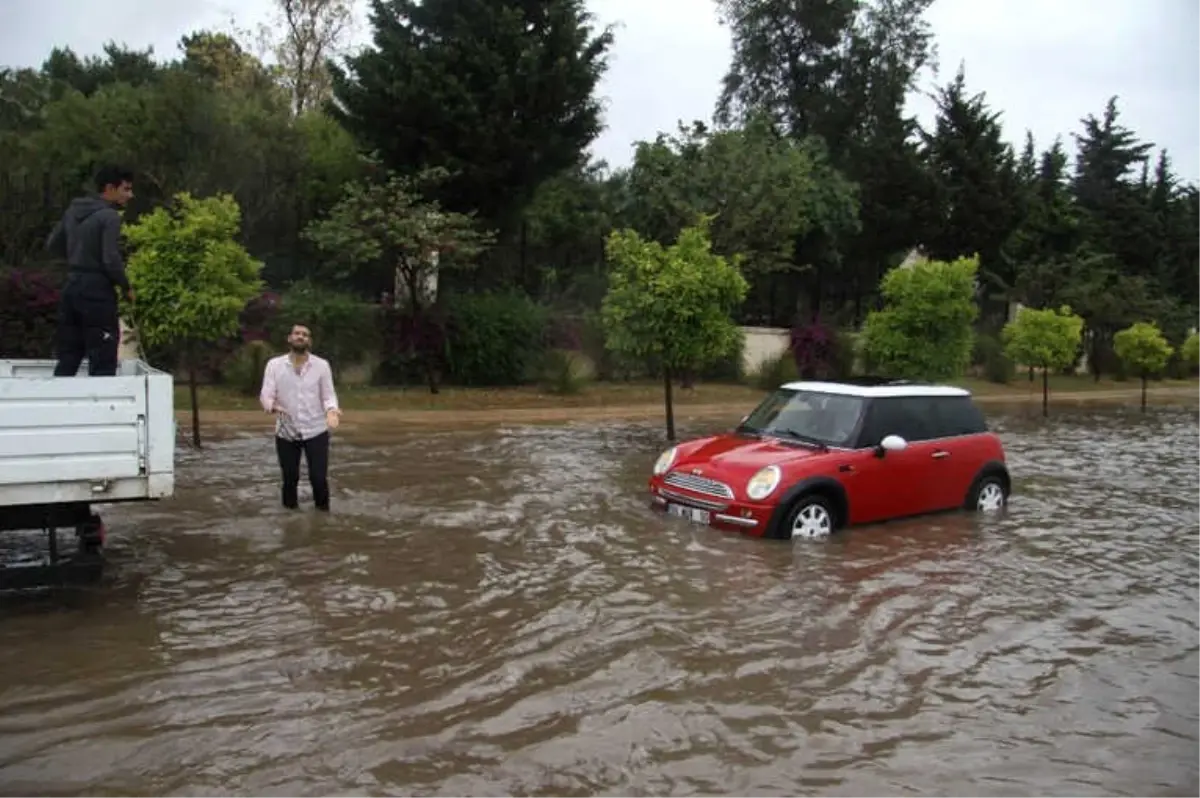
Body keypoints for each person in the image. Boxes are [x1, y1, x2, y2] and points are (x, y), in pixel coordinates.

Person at [47, 164, 136, 377]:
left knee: (69, 355)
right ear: (109, 188)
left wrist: (77, 255)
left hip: (72, 287)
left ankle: (58, 407)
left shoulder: (73, 211)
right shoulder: (109, 216)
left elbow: (52, 244)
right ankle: (103, 410)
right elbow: (110, 259)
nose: (131, 195)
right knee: (103, 357)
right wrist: (126, 287)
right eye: (126, 189)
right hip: (97, 291)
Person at [259, 323, 342, 512]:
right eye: (297, 333)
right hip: (286, 431)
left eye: (305, 334)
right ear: (289, 338)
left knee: (319, 478)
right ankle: (289, 518)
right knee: (289, 478)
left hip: (316, 429)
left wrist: (332, 411)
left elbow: (329, 395)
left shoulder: (321, 365)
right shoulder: (274, 365)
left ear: (309, 341)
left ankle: (323, 517)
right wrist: (272, 406)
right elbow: (266, 395)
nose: (300, 337)